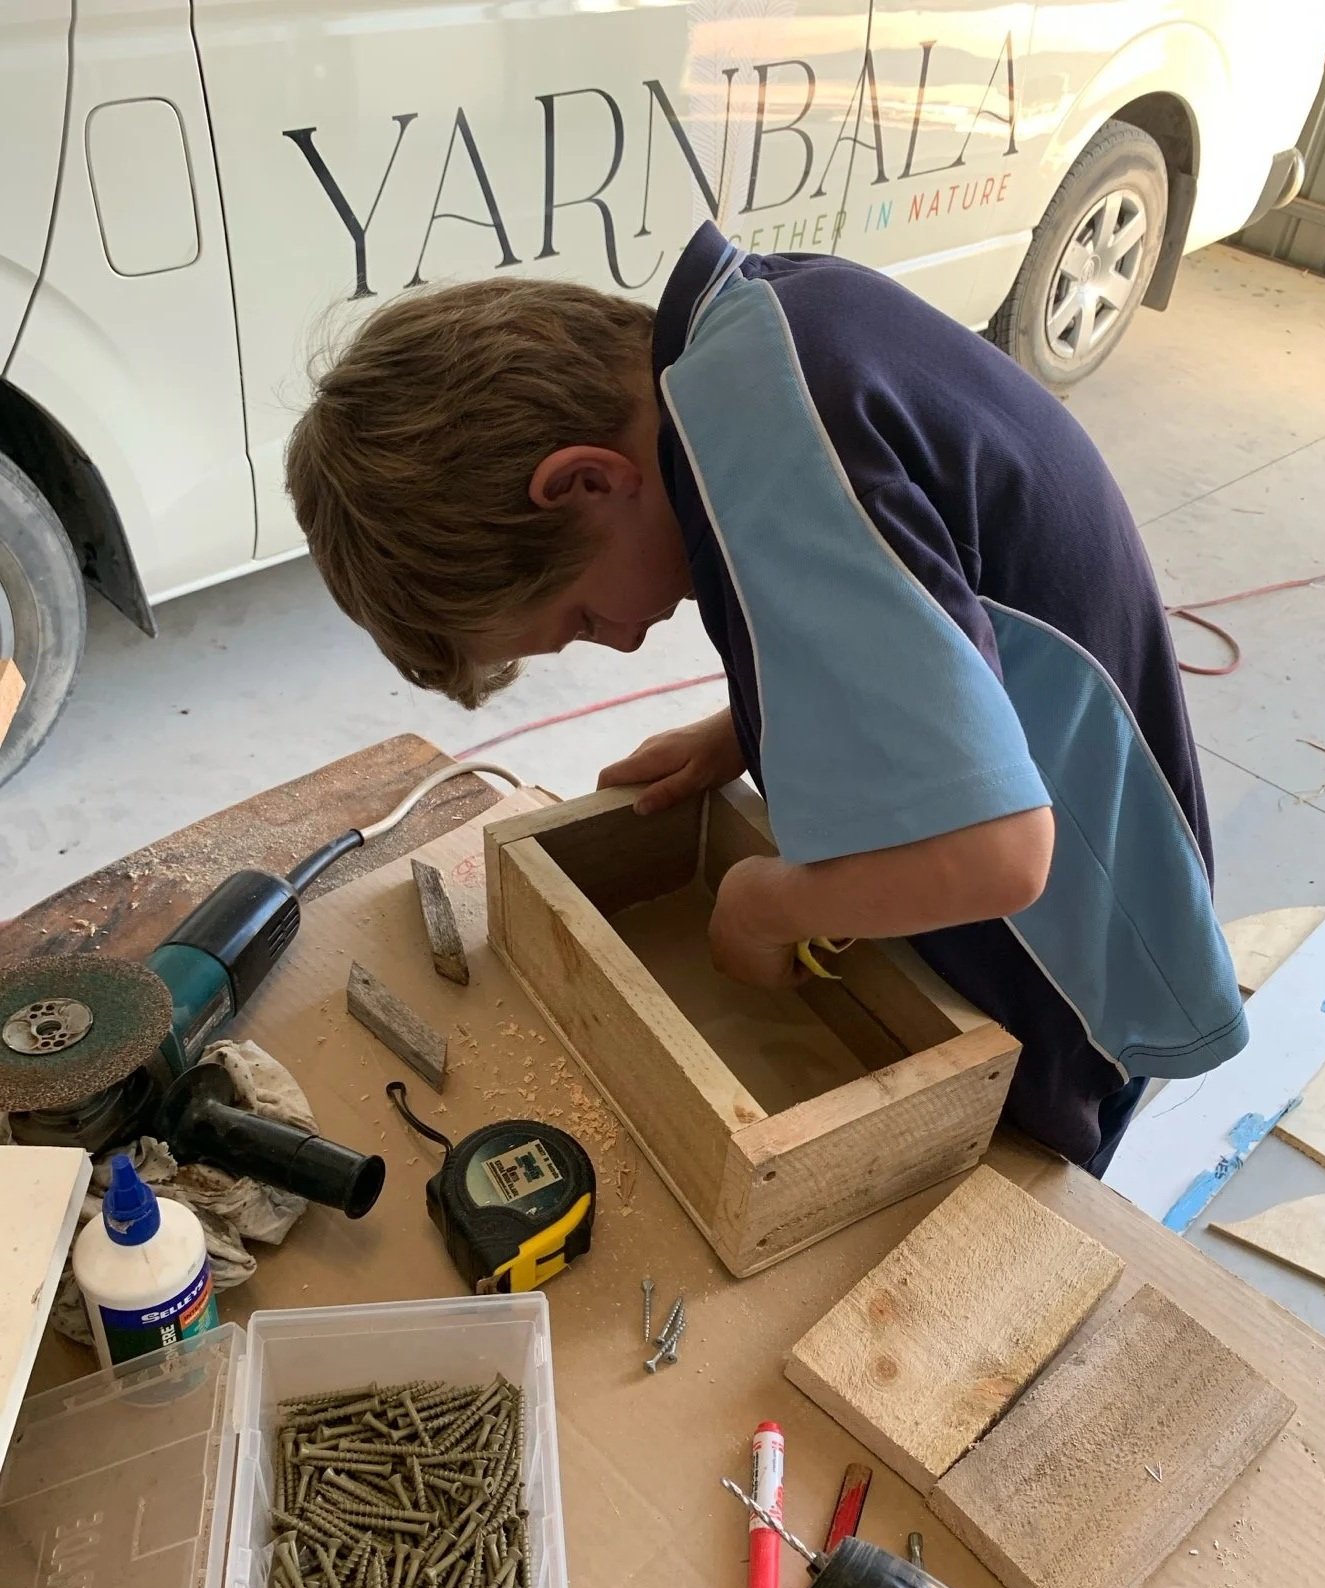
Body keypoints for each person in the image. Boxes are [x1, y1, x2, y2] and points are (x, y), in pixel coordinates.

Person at [285, 222, 1246, 1177]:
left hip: (1072, 972)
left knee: (1011, 1194)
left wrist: (767, 906)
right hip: (1074, 849)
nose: (622, 641)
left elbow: (997, 854)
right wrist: (748, 729)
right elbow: (923, 616)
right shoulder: (757, 342)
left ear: (585, 482)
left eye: (580, 619)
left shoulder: (775, 454)